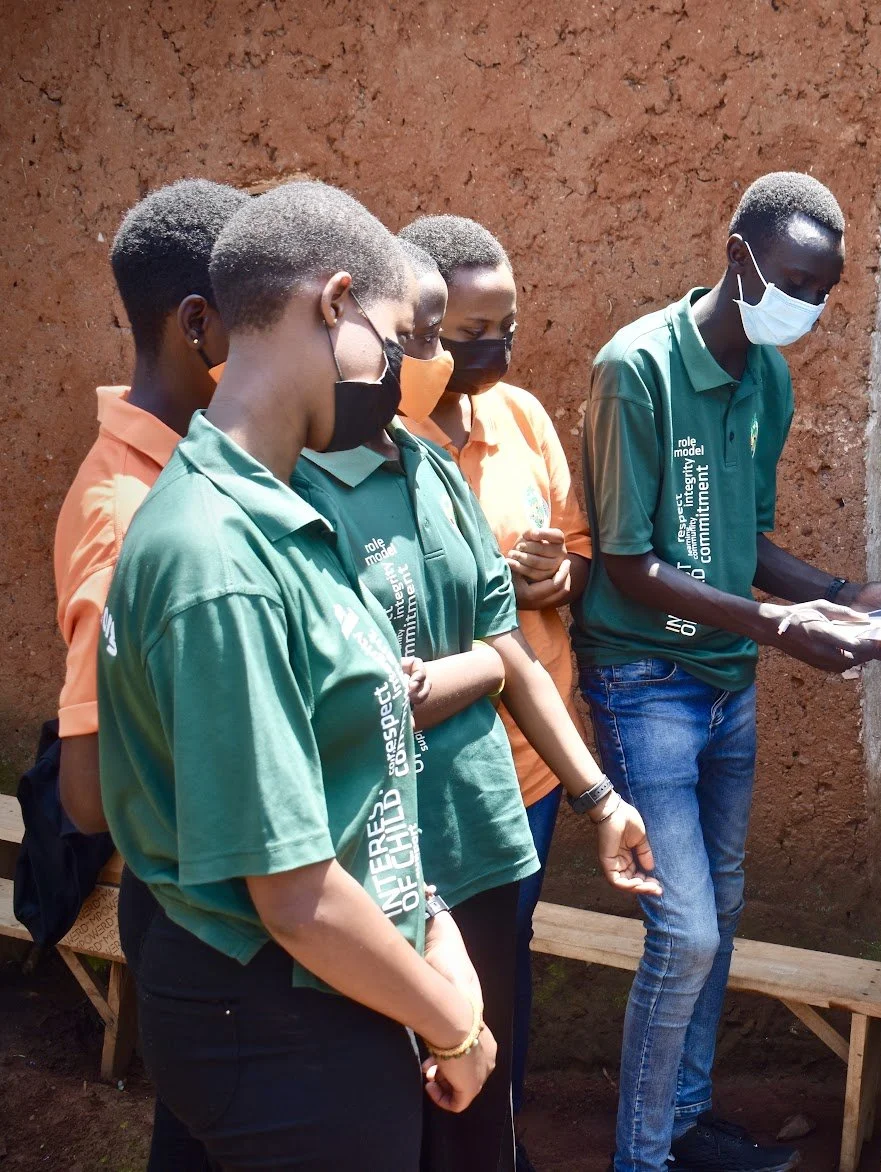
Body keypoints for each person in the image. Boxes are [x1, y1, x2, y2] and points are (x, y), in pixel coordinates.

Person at [96, 180, 499, 1169]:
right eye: (398, 338)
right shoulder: (217, 559)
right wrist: (456, 1023)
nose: (403, 372)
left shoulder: (276, 513)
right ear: (337, 302)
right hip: (280, 1015)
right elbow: (295, 892)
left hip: (333, 986)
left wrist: (430, 918)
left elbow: (344, 778)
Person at [575, 170, 881, 1172]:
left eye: (825, 290)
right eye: (796, 282)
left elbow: (740, 540)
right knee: (683, 931)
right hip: (644, 682)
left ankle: (686, 1122)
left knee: (719, 916)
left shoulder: (768, 379)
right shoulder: (635, 369)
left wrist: (845, 589)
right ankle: (642, 1156)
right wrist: (787, 627)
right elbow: (631, 566)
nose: (809, 307)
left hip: (727, 684)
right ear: (740, 259)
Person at [289, 238, 657, 1172]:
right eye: (421, 337)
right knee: (395, 1093)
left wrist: (599, 797)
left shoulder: (433, 469)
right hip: (373, 851)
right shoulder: (292, 490)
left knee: (484, 1099)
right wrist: (471, 676)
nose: (444, 360)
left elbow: (506, 651)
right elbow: (364, 700)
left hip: (481, 825)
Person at [53, 177, 248, 1172]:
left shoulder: (191, 468)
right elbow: (87, 792)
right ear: (199, 324)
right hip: (192, 911)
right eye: (261, 316)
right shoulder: (128, 516)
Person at [397, 216, 591, 1160]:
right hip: (418, 774)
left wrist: (559, 576)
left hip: (525, 769)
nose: (491, 349)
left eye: (504, 325)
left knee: (499, 977)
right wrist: (487, 604)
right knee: (424, 1000)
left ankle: (494, 1138)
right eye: (466, 333)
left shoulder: (520, 417)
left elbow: (579, 545)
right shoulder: (376, 443)